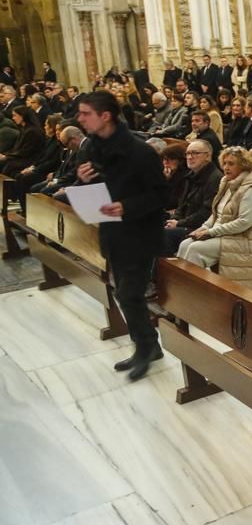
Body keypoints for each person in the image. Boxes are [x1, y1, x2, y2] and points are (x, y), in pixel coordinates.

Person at [74, 91, 169, 381]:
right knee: (125, 293)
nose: (80, 119)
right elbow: (100, 187)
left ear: (105, 116)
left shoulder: (141, 152)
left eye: (85, 113)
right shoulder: (93, 148)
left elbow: (162, 195)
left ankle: (146, 348)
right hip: (112, 230)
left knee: (129, 294)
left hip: (140, 234)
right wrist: (83, 180)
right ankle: (148, 346)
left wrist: (127, 206)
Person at [175, 146, 252, 289]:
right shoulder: (226, 182)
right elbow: (216, 214)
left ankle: (192, 292)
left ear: (243, 165)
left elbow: (244, 222)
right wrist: (203, 228)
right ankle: (180, 288)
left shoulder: (251, 188)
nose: (226, 167)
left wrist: (210, 232)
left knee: (196, 249)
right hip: (225, 234)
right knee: (185, 243)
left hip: (245, 239)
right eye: (224, 163)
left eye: (231, 164)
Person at [162, 139, 222, 254]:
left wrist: (179, 223)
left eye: (195, 153)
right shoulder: (190, 176)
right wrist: (174, 220)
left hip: (200, 227)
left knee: (164, 234)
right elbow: (181, 205)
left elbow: (206, 213)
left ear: (208, 156)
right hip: (185, 223)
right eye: (188, 153)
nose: (190, 157)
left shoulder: (215, 178)